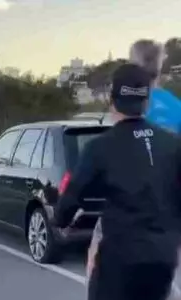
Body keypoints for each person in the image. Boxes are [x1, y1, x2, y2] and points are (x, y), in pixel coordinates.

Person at [53, 63, 181, 300]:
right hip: (163, 258)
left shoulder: (99, 147)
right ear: (147, 102)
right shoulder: (173, 144)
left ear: (112, 101)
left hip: (120, 259)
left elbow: (70, 198)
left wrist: (61, 219)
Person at [87, 39, 181, 299]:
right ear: (161, 68)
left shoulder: (126, 108)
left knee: (96, 259)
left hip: (123, 216)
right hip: (165, 216)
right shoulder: (177, 109)